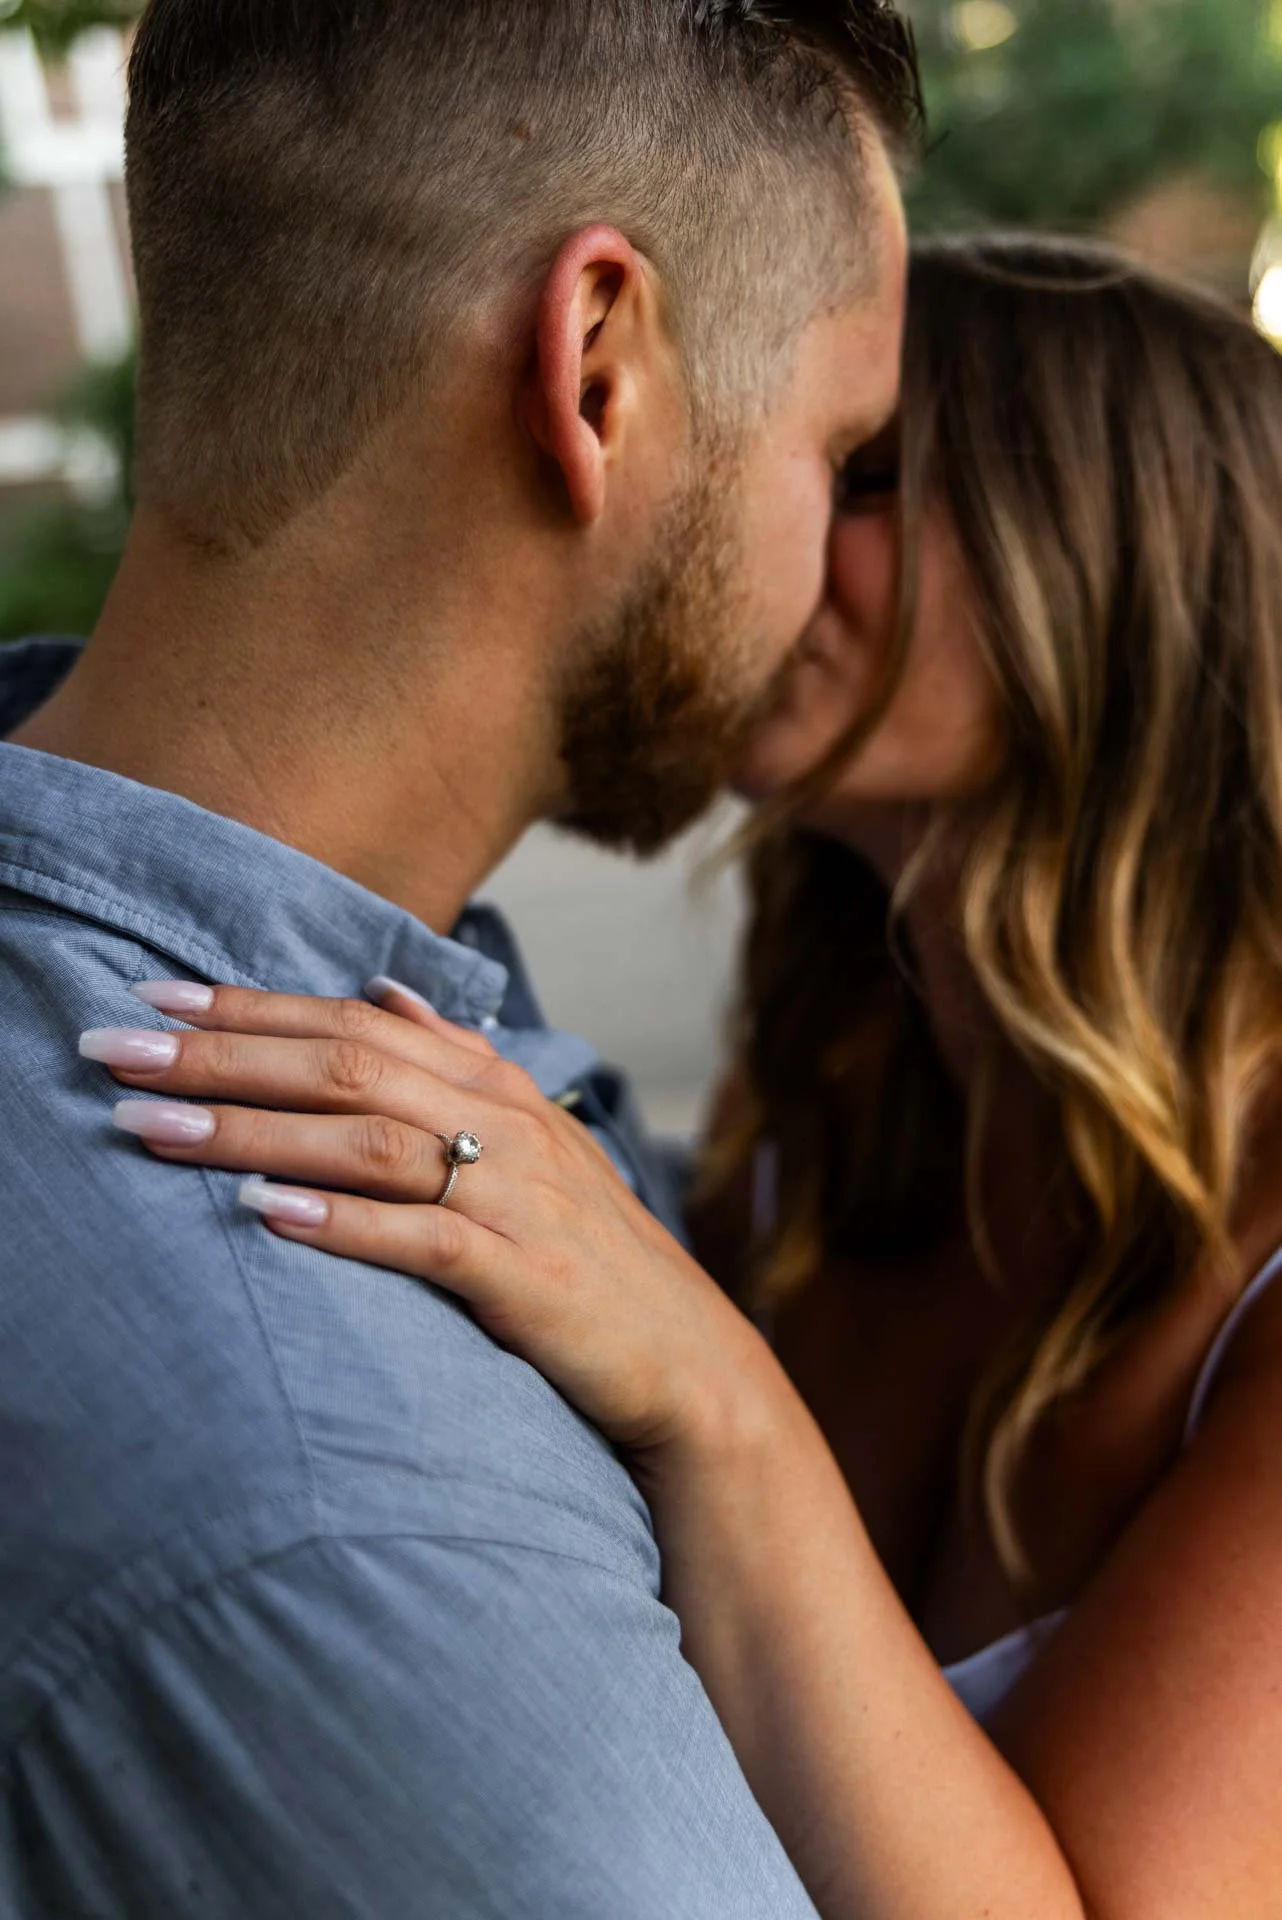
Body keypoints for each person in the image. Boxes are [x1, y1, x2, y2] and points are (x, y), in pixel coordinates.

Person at [125, 237, 1282, 1916]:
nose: (754, 524)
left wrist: (716, 1395)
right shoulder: (826, 1124)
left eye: (854, 470)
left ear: (1123, 572)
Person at [0, 1, 919, 1913]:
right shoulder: (353, 1503)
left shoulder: (343, 1009)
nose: (837, 561)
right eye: (846, 450)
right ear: (596, 368)